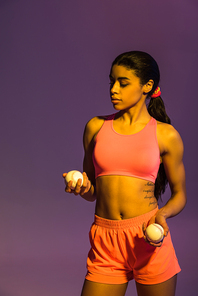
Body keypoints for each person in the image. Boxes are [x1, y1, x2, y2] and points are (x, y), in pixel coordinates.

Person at [63, 51, 187, 296]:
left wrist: (163, 214)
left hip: (149, 238)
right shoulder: (95, 127)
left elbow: (180, 195)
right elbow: (94, 192)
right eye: (112, 82)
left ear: (147, 86)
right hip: (106, 241)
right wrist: (83, 188)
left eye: (123, 82)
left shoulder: (166, 135)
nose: (114, 89)